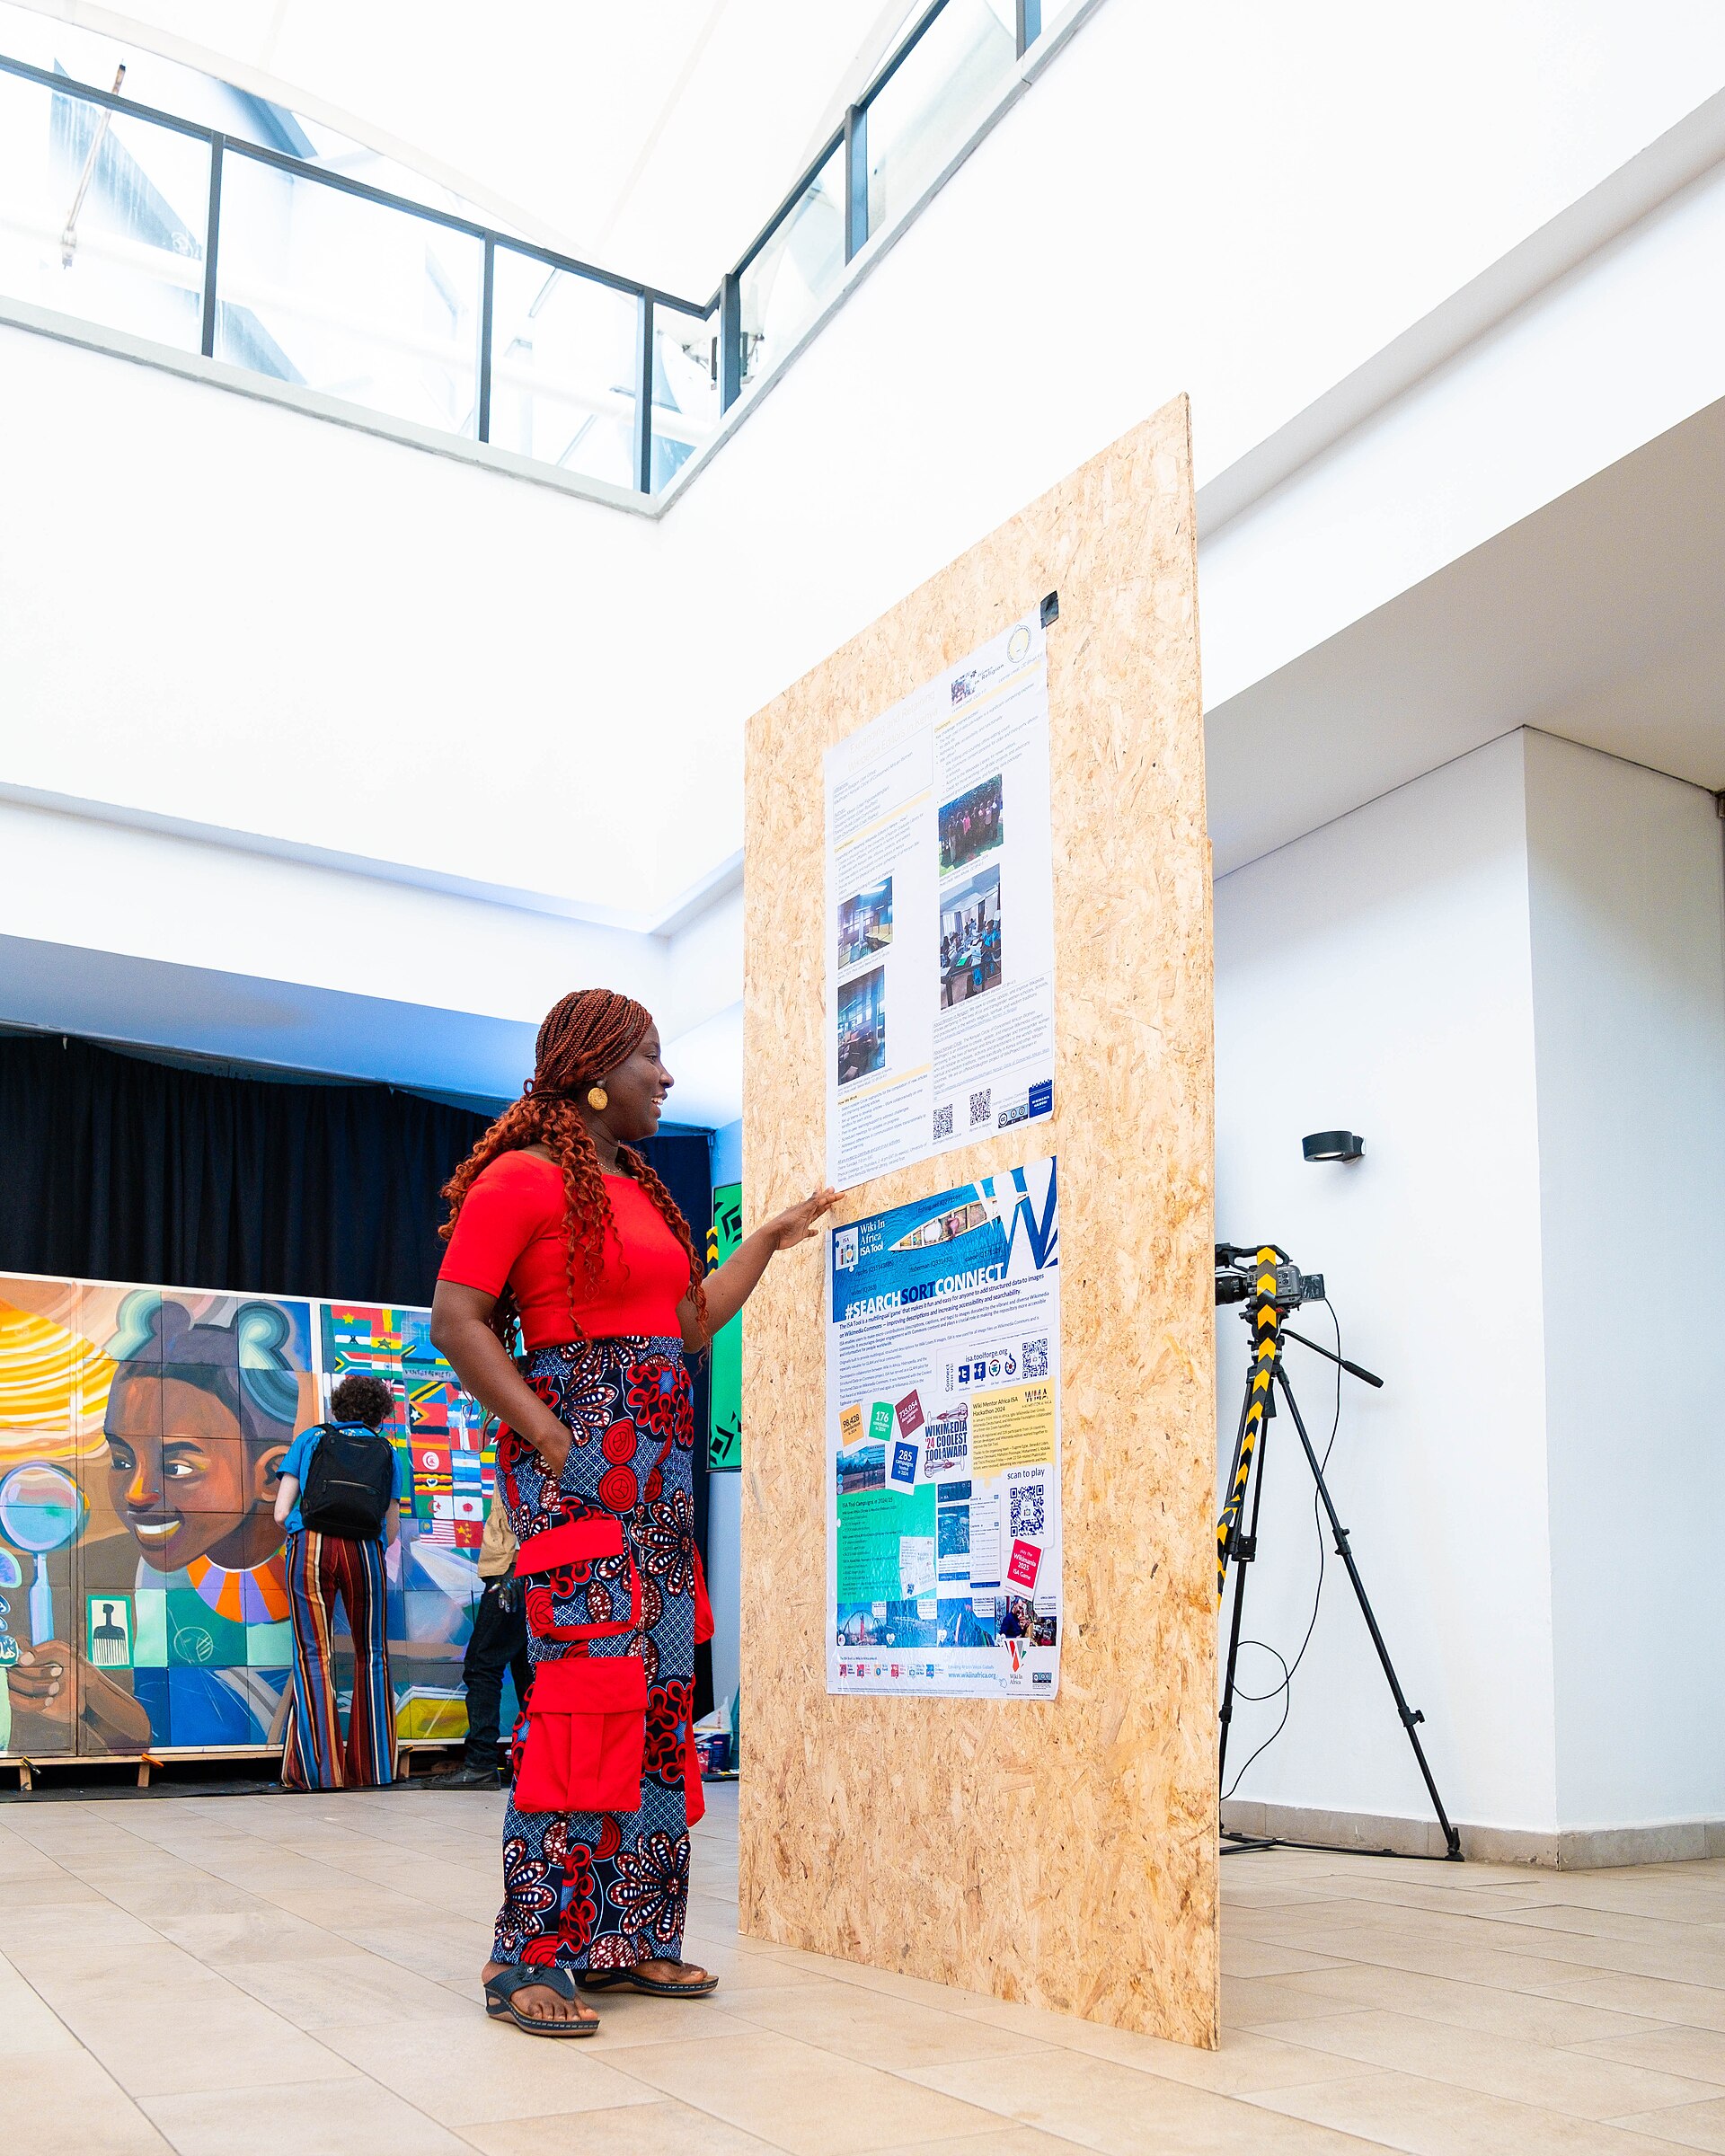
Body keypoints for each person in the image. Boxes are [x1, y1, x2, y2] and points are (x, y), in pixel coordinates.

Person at [430, 987, 833, 2037]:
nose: (667, 1078)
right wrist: (553, 1439)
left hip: (658, 1483)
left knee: (659, 1700)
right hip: (579, 1474)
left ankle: (626, 1936)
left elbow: (689, 1324)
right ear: (597, 1069)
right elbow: (457, 1318)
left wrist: (771, 1243)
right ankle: (525, 1952)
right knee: (583, 1697)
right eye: (652, 1059)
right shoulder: (521, 1180)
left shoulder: (643, 1192)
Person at [7, 1295, 302, 1754]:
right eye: (122, 1459)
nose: (136, 1492)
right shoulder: (152, 1570)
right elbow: (152, 1740)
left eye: (178, 1467)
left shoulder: (311, 1574)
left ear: (270, 1475)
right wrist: (87, 1695)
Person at [272, 1372, 403, 1790]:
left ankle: (320, 1773)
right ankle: (374, 1768)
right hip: (365, 1553)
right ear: (380, 1414)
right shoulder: (387, 1451)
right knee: (373, 1654)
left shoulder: (311, 1440)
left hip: (312, 1546)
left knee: (314, 1654)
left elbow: (280, 1512)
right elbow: (393, 1524)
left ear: (338, 1407)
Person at [440, 1494, 533, 1789]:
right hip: (523, 1568)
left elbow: (530, 1501)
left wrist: (514, 1568)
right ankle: (530, 1762)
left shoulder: (526, 1447)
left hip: (513, 1569)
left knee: (482, 1664)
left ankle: (480, 1763)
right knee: (526, 1671)